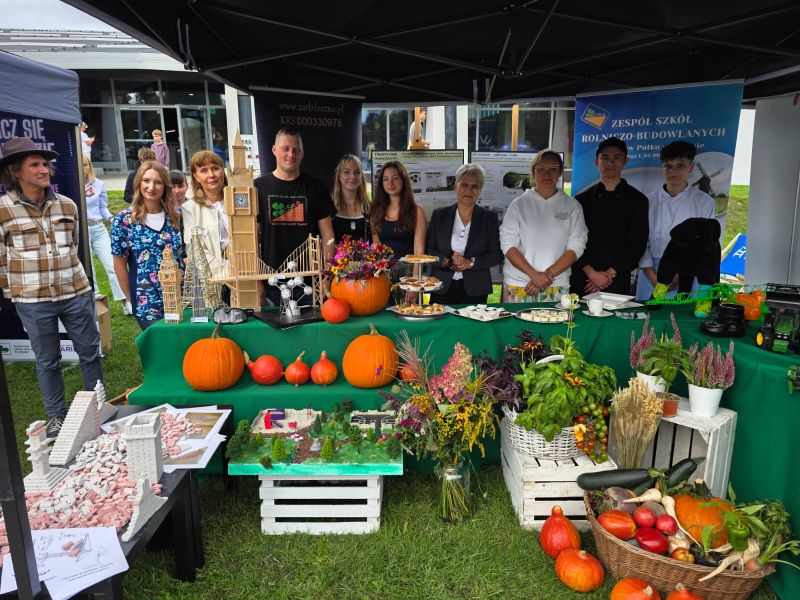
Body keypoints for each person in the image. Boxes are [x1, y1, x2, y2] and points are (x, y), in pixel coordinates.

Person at [0, 137, 104, 437]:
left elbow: (74, 244)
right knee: (48, 361)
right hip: (32, 300)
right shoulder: (4, 210)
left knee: (90, 353)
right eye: (35, 164)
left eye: (45, 164)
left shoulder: (68, 205)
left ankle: (98, 408)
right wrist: (15, 292)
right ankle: (57, 418)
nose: (44, 169)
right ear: (15, 171)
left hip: (75, 292)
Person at [254, 128, 335, 305]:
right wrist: (256, 281)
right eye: (285, 148)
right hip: (270, 286)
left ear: (302, 153)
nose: (291, 154)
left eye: (296, 150)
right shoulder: (257, 188)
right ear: (274, 150)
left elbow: (328, 236)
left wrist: (327, 275)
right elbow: (252, 239)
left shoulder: (316, 187)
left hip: (310, 284)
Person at [500, 149, 587, 303]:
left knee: (553, 327)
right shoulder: (518, 204)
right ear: (533, 172)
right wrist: (533, 275)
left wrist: (546, 276)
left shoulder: (572, 205)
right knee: (517, 327)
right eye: (541, 169)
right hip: (520, 283)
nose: (547, 174)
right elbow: (508, 244)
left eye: (553, 169)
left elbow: (576, 247)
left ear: (560, 172)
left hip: (556, 284)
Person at [636, 140, 716, 300]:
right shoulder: (647, 201)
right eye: (668, 166)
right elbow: (640, 240)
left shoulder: (703, 201)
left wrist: (679, 274)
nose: (674, 171)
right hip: (650, 271)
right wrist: (652, 274)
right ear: (662, 167)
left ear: (691, 167)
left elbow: (706, 244)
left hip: (688, 273)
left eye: (681, 165)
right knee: (646, 320)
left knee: (681, 321)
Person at [570, 137, 649, 296]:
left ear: (625, 160)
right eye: (605, 158)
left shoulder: (637, 200)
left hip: (617, 279)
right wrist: (592, 273)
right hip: (583, 279)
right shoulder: (581, 200)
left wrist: (609, 274)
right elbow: (572, 240)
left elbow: (637, 242)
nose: (610, 163)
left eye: (617, 157)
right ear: (596, 162)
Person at [111, 161, 183, 330]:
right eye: (146, 181)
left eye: (158, 182)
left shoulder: (176, 217)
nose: (152, 187)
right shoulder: (124, 220)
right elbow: (119, 265)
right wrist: (131, 299)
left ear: (165, 186)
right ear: (138, 183)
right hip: (145, 300)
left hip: (178, 297)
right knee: (158, 349)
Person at [425, 163, 503, 304]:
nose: (469, 190)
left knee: (472, 326)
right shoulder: (439, 215)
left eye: (475, 186)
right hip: (441, 287)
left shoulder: (489, 218)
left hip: (476, 288)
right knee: (442, 326)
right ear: (456, 186)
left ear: (480, 190)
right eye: (464, 184)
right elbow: (429, 250)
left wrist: (470, 263)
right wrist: (447, 261)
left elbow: (496, 255)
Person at [81, 155, 129, 312]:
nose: (83, 169)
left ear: (90, 166)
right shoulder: (72, 185)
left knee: (112, 265)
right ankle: (94, 306)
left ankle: (126, 303)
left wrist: (111, 217)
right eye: (80, 165)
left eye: (85, 165)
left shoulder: (99, 184)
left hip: (99, 228)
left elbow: (102, 207)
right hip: (81, 229)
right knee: (90, 270)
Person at [184, 150, 228, 282]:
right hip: (213, 280)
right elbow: (195, 250)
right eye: (204, 170)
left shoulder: (239, 200)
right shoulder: (190, 209)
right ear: (196, 176)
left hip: (247, 274)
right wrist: (228, 272)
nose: (211, 175)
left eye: (215, 168)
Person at [332, 154, 370, 243]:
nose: (353, 176)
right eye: (346, 172)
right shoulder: (329, 206)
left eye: (357, 172)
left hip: (366, 257)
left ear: (361, 177)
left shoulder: (370, 207)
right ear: (339, 176)